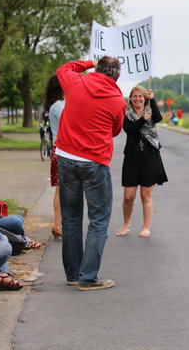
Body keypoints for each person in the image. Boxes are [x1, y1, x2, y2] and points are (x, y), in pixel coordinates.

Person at [55, 56, 126, 291]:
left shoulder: (75, 83)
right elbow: (116, 130)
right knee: (98, 220)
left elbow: (63, 68)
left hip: (66, 157)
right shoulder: (117, 100)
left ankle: (74, 274)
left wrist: (87, 63)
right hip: (95, 161)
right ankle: (88, 277)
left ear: (97, 69)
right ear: (116, 76)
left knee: (72, 218)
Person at [116, 85, 167, 238]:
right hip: (132, 158)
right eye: (135, 96)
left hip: (149, 157)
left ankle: (146, 227)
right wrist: (141, 120)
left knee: (146, 195)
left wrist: (153, 99)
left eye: (140, 96)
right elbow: (130, 131)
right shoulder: (127, 115)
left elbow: (158, 118)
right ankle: (126, 223)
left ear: (144, 98)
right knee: (128, 196)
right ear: (131, 99)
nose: (138, 99)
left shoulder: (150, 111)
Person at [43, 74, 65, 240]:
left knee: (60, 189)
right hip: (65, 149)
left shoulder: (53, 105)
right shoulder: (61, 105)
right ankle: (58, 224)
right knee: (65, 189)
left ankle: (58, 224)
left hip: (56, 149)